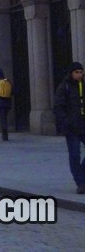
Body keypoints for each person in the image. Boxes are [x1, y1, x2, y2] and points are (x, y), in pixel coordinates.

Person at [53, 61, 85, 193]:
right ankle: (80, 183)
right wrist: (67, 122)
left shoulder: (83, 85)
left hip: (83, 125)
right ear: (71, 73)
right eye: (76, 72)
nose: (79, 74)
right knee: (75, 154)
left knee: (75, 155)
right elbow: (58, 107)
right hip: (71, 127)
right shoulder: (64, 87)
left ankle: (82, 175)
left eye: (81, 71)